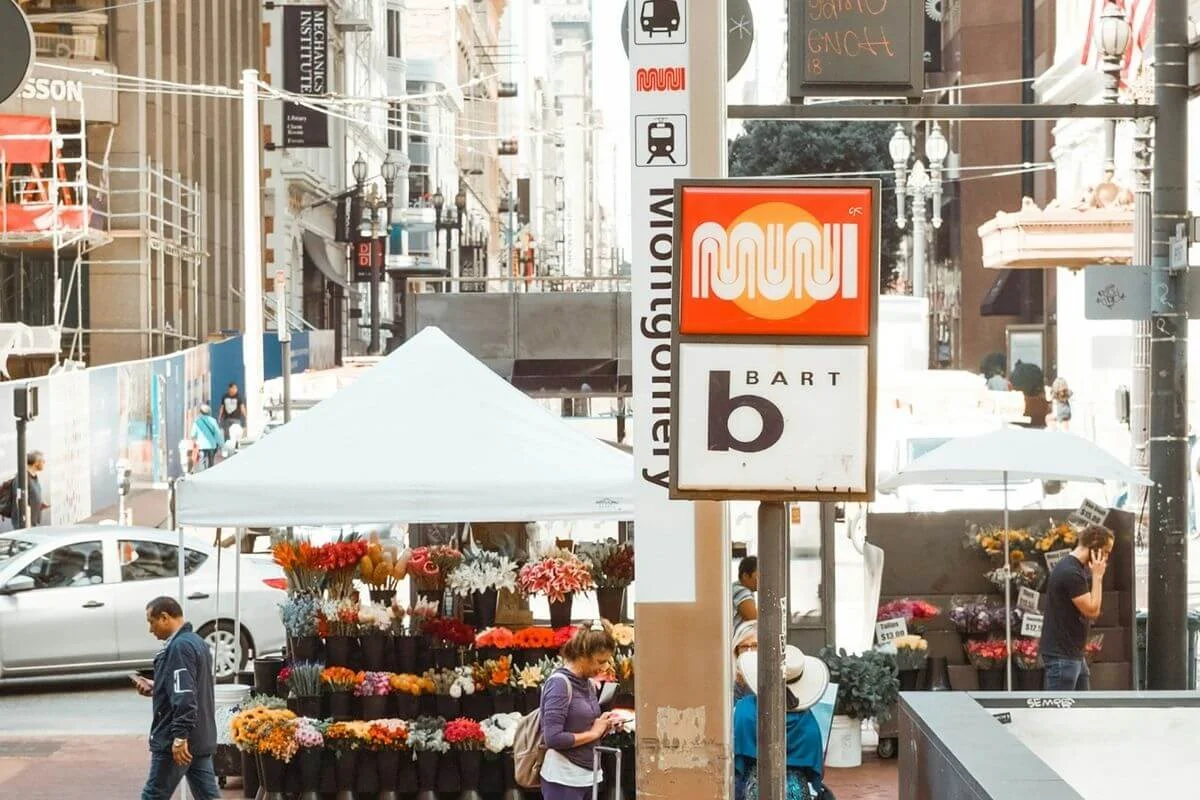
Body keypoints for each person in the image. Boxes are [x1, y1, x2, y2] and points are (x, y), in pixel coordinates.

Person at [134, 596, 219, 800]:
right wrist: (158, 687)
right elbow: (191, 685)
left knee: (154, 794)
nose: (150, 629)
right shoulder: (197, 642)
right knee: (208, 796)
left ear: (164, 617)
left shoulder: (179, 647)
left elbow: (185, 694)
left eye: (151, 622)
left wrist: (180, 737)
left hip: (178, 740)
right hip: (200, 736)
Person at [734, 645, 832, 800]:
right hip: (796, 791)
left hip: (755, 788)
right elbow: (813, 773)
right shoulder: (810, 723)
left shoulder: (744, 710)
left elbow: (736, 762)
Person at [540, 623, 618, 800]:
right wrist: (593, 733)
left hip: (588, 777)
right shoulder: (559, 684)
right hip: (563, 779)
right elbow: (552, 738)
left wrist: (604, 725)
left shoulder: (587, 683)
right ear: (583, 655)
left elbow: (584, 725)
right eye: (600, 661)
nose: (605, 667)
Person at [1041, 524, 1113, 691]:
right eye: (1106, 551)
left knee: (1083, 710)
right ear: (1094, 545)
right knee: (1061, 712)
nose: (1107, 557)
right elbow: (1093, 610)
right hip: (1063, 656)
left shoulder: (1072, 568)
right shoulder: (1071, 573)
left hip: (1072, 654)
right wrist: (1097, 576)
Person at [189, 405, 223, 470]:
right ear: (209, 412)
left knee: (202, 461)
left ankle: (203, 474)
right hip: (211, 445)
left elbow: (193, 434)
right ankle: (210, 474)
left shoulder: (197, 421)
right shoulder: (213, 420)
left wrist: (194, 442)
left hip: (201, 445)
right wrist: (221, 444)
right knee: (211, 461)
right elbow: (217, 433)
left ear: (200, 412)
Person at [732, 621, 758, 704]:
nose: (749, 651)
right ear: (736, 651)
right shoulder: (729, 679)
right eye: (744, 647)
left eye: (755, 646)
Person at [733, 556, 759, 628]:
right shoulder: (741, 591)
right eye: (758, 576)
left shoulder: (735, 587)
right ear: (745, 576)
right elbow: (755, 620)